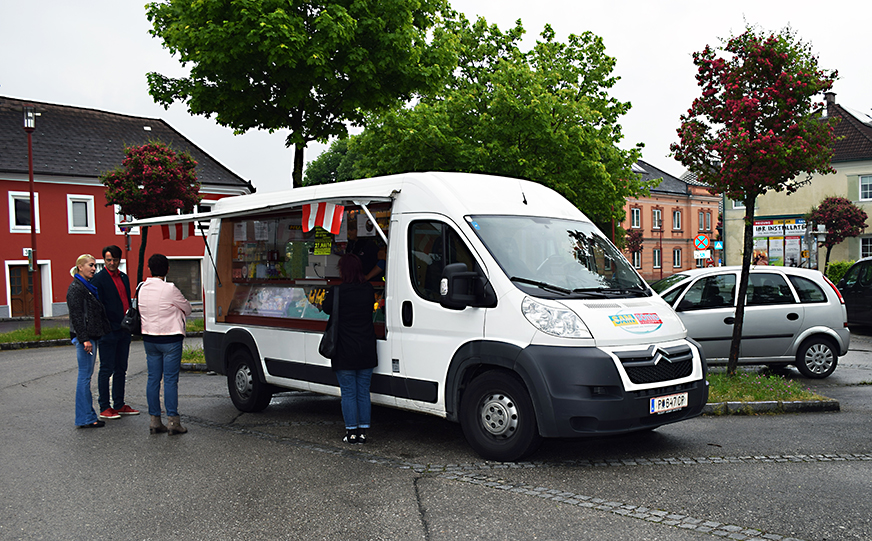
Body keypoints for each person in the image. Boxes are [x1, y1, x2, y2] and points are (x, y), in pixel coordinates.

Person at [323, 254, 378, 444]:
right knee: (363, 391)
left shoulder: (337, 291)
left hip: (344, 348)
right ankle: (363, 431)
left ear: (343, 271)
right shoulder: (368, 290)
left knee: (348, 392)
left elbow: (325, 308)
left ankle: (351, 432)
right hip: (366, 347)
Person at [138, 254, 192, 435]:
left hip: (149, 338)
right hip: (170, 338)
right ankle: (173, 421)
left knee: (153, 379)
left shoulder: (141, 288)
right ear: (167, 269)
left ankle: (154, 420)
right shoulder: (170, 289)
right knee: (170, 380)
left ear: (148, 269)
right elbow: (187, 308)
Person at [91, 245, 138, 420]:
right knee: (106, 369)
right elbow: (98, 307)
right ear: (104, 260)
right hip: (108, 331)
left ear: (119, 260)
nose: (111, 263)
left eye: (115, 260)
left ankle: (119, 404)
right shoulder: (99, 279)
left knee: (121, 369)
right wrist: (107, 326)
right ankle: (104, 406)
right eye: (108, 260)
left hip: (124, 330)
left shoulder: (124, 277)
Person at [66, 254, 111, 428]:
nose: (94, 268)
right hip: (86, 338)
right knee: (84, 377)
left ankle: (87, 416)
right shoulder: (76, 288)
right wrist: (84, 339)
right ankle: (85, 418)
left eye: (95, 265)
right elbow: (76, 316)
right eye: (91, 265)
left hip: (90, 336)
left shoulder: (86, 287)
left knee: (85, 376)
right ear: (80, 267)